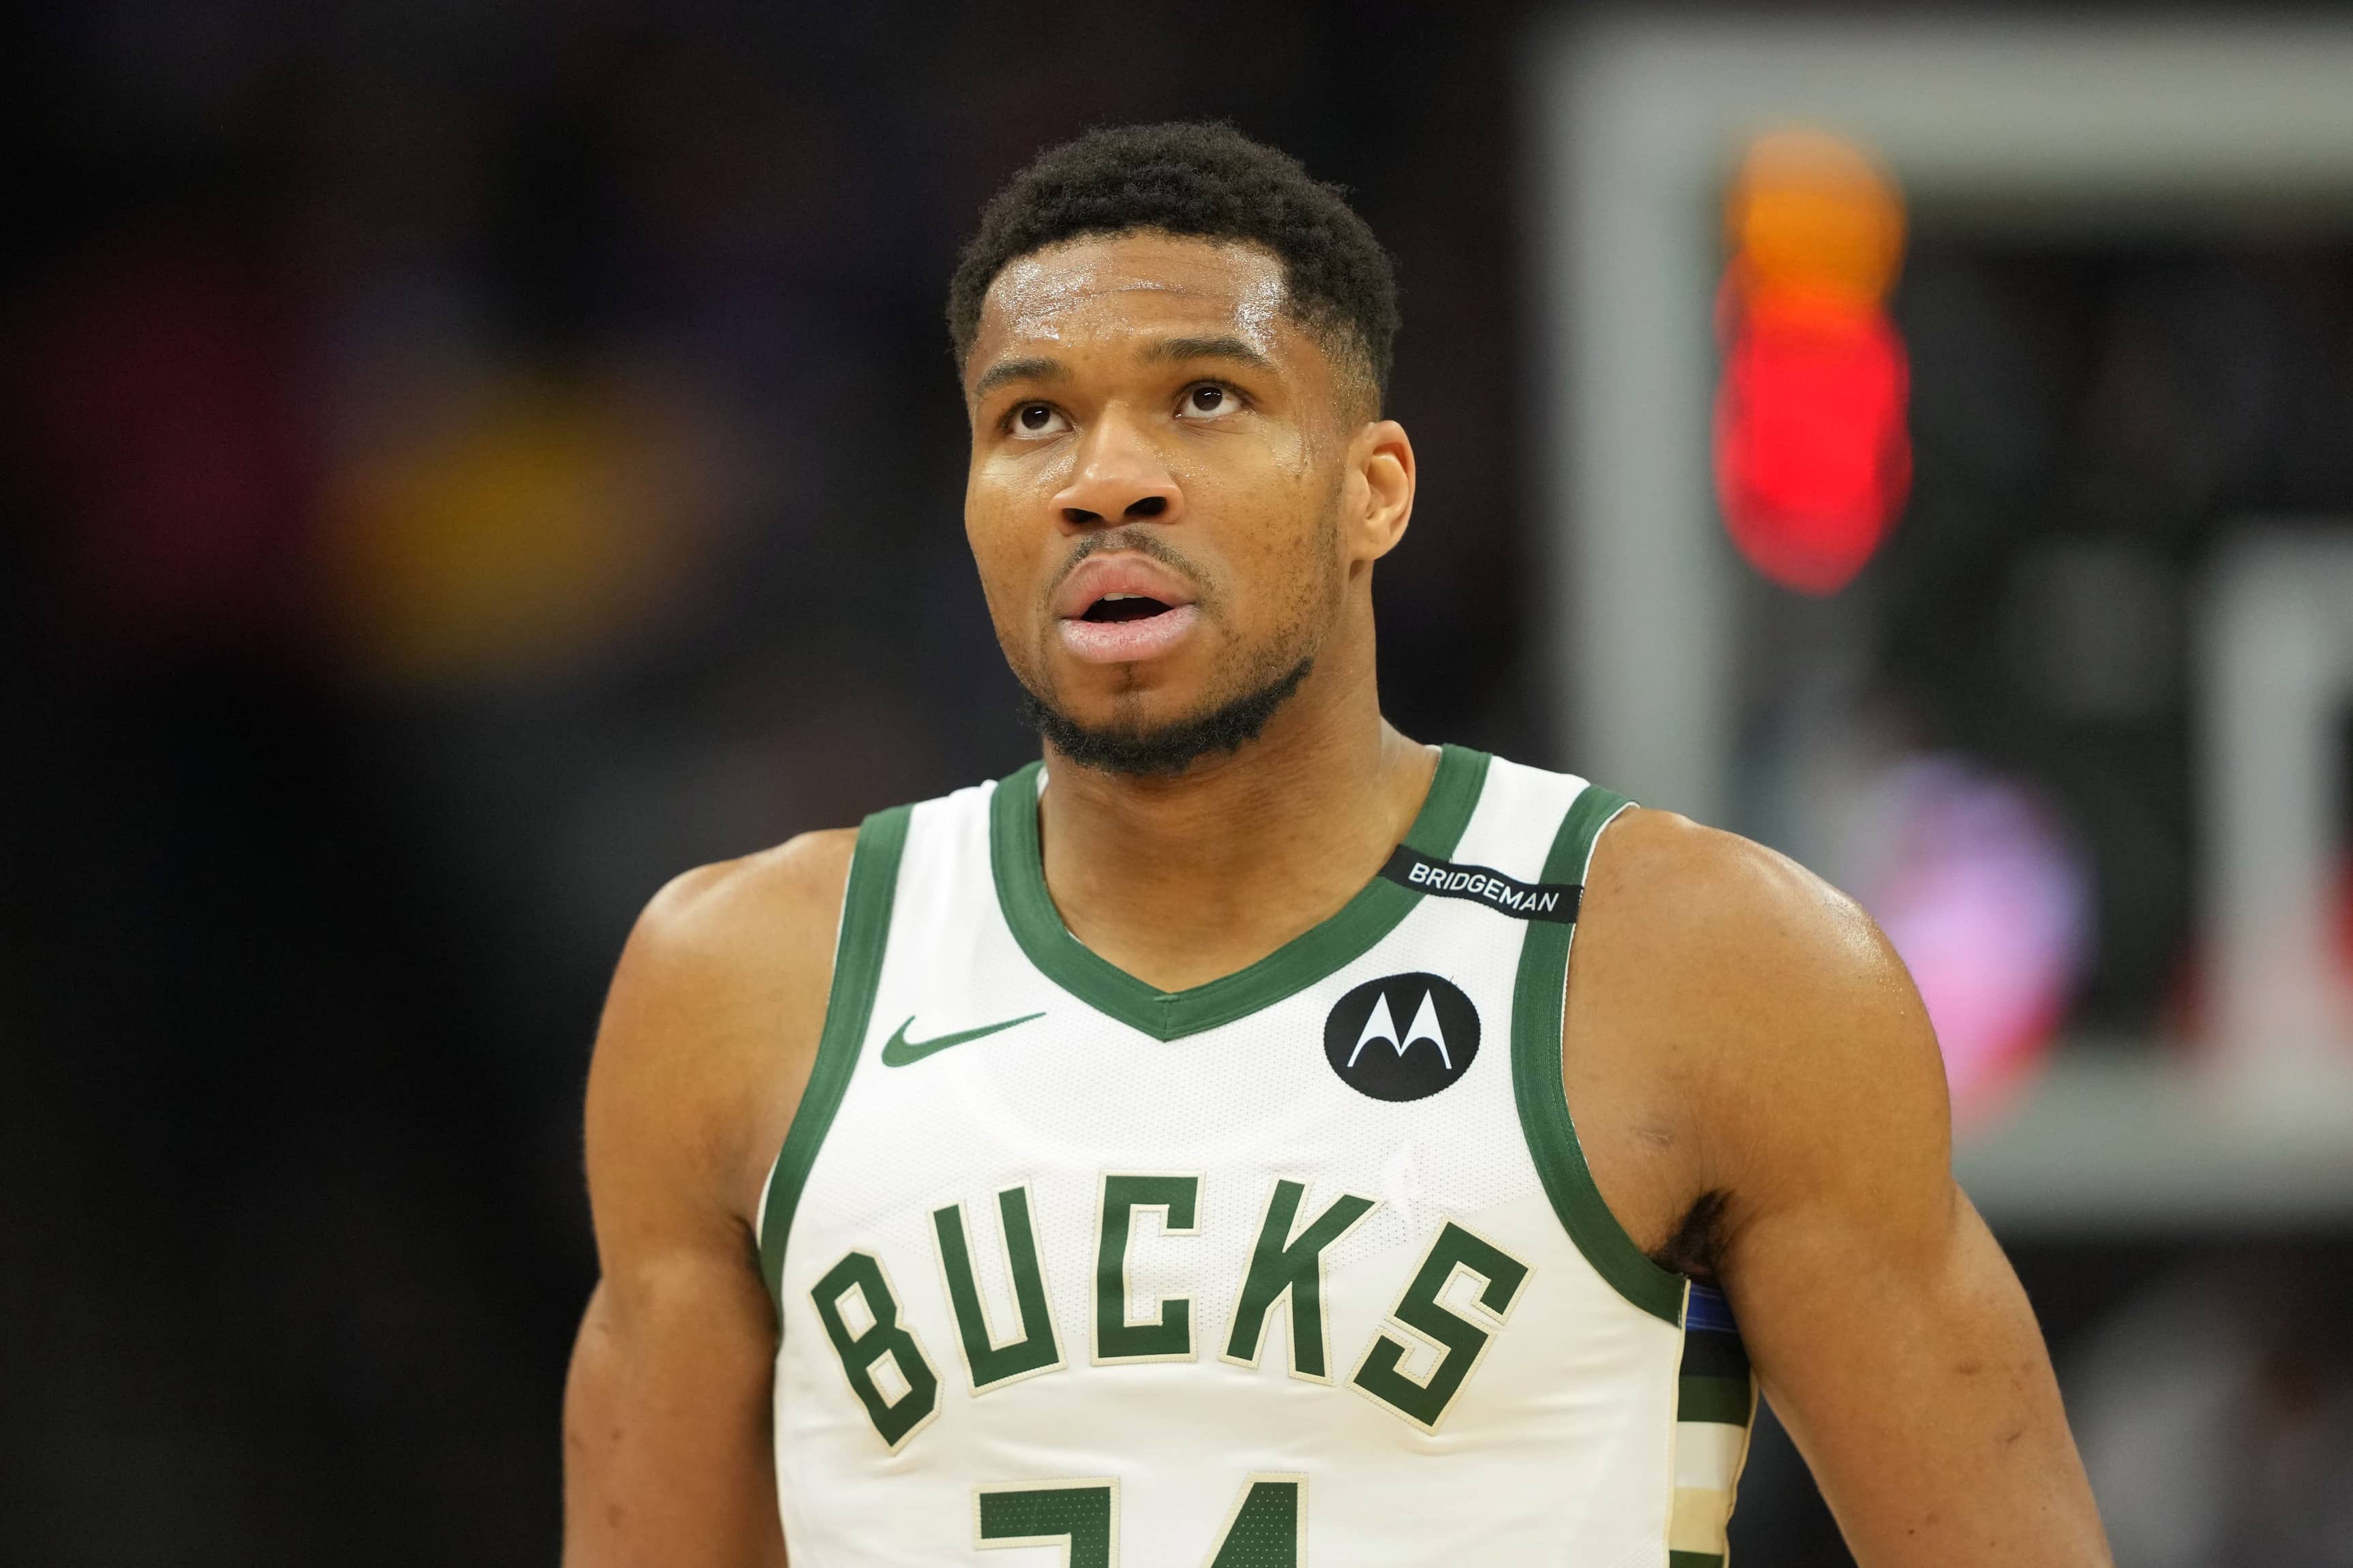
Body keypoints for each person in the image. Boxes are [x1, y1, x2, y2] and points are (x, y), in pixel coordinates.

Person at [561, 122, 2110, 1567]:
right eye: (1032, 417)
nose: (1106, 478)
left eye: (1204, 398)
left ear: (1374, 491)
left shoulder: (1716, 968)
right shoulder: (739, 983)